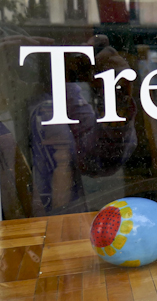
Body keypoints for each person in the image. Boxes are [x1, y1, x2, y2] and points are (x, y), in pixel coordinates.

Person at [0, 29, 137, 218]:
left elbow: (98, 160)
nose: (15, 68)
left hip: (59, 225)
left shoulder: (57, 95)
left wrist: (116, 98)